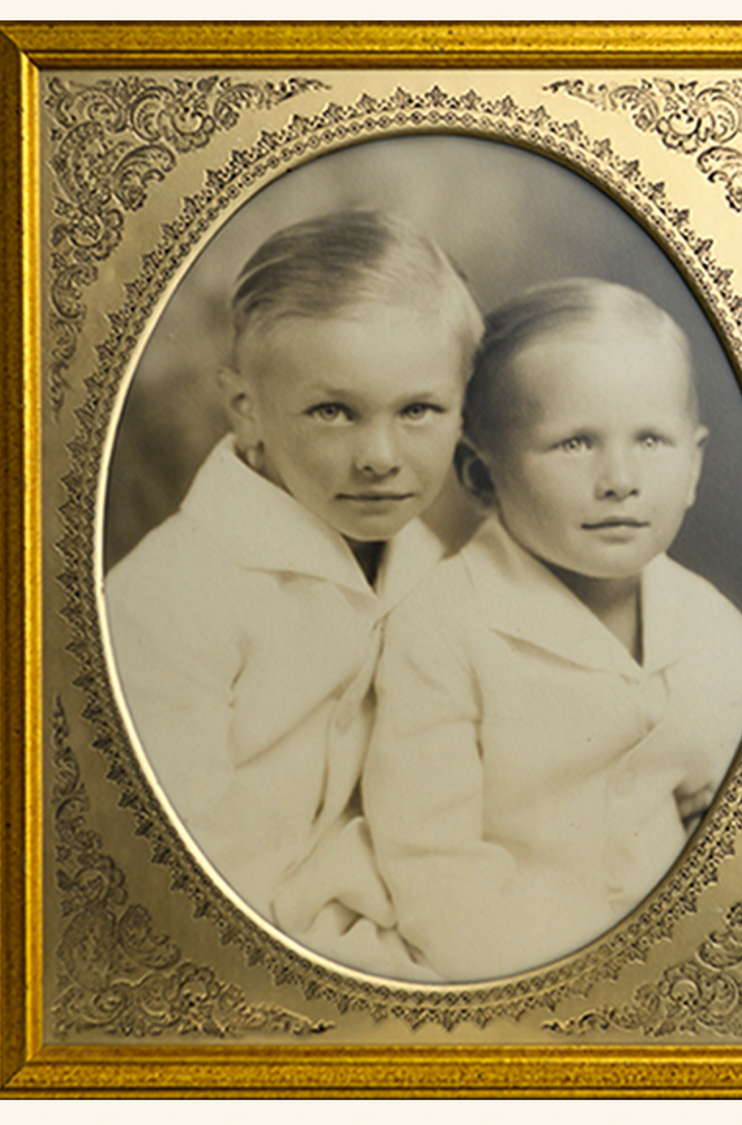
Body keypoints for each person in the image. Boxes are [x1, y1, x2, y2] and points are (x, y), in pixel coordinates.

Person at [103, 211, 482, 975]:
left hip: (384, 918)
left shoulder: (428, 562)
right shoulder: (167, 595)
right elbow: (173, 875)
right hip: (233, 956)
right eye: (332, 411)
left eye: (418, 410)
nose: (379, 456)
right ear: (247, 410)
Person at [362, 278, 742, 983]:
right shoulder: (440, 626)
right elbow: (431, 862)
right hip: (499, 960)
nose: (620, 478)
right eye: (575, 443)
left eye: (651, 439)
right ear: (482, 477)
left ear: (695, 464)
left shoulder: (715, 629)